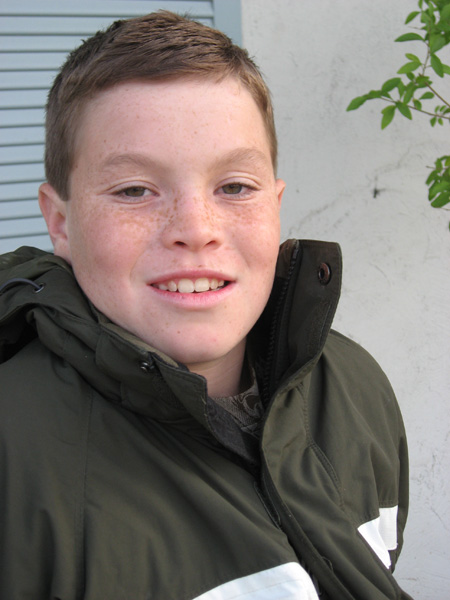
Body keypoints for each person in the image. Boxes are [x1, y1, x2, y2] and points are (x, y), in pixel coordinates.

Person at [0, 10, 413, 600]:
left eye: (234, 187)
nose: (195, 230)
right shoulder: (14, 459)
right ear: (60, 222)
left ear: (275, 205)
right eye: (134, 190)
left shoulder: (355, 386)